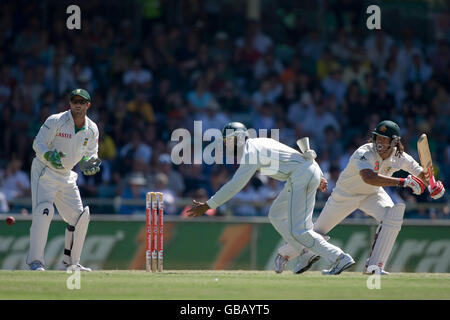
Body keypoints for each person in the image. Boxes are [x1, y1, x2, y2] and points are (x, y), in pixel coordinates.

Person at [277, 120, 445, 274]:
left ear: (394, 142)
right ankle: (284, 254)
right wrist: (402, 182)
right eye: (378, 137)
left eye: (384, 139)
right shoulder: (364, 152)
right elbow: (369, 177)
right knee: (318, 232)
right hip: (345, 195)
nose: (379, 142)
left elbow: (421, 173)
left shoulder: (400, 157)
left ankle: (374, 267)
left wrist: (434, 185)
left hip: (372, 194)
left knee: (393, 214)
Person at [187, 122, 355, 275]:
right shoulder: (260, 143)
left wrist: (209, 205)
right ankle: (304, 253)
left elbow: (236, 184)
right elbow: (297, 156)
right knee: (275, 214)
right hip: (301, 174)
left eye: (227, 141)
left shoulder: (250, 151)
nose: (226, 145)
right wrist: (317, 174)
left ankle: (339, 258)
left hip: (300, 176)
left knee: (300, 230)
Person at [27, 88, 101, 271]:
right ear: (70, 104)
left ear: (88, 105)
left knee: (80, 218)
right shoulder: (56, 120)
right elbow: (38, 144)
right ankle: (36, 262)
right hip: (45, 172)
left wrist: (90, 165)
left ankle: (72, 263)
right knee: (44, 212)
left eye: (82, 102)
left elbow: (91, 155)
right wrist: (49, 155)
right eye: (75, 101)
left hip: (67, 175)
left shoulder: (92, 129)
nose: (78, 105)